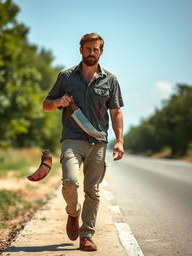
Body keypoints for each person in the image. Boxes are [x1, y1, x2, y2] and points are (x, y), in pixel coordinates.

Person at [42, 33, 124, 251]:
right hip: (72, 139)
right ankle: (72, 213)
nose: (91, 53)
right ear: (81, 50)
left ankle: (86, 235)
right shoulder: (66, 76)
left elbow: (115, 112)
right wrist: (58, 101)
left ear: (101, 52)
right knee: (70, 182)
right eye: (88, 48)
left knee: (93, 191)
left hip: (98, 141)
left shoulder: (111, 80)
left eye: (96, 49)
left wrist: (120, 141)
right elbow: (46, 104)